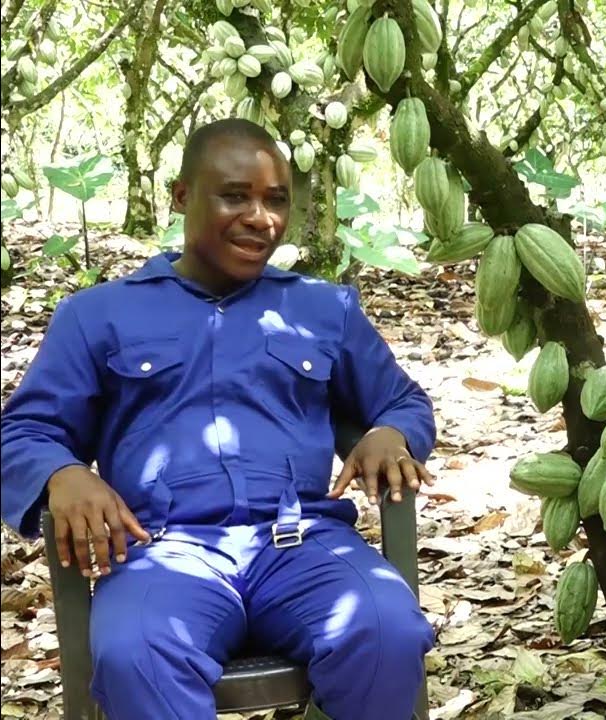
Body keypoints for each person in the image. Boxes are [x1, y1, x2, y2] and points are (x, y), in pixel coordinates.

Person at [0, 118, 437, 720]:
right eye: (235, 195)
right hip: (165, 551)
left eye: (276, 199)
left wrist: (392, 432)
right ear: (182, 196)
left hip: (303, 544)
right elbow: (23, 431)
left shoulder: (320, 308)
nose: (261, 218)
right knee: (136, 653)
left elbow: (402, 400)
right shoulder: (98, 315)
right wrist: (62, 473)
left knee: (387, 628)